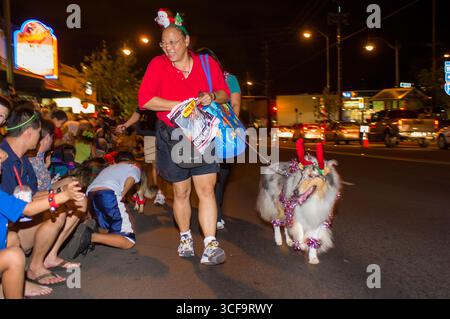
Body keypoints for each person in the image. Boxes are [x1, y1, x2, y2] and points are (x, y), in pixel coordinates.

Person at [138, 9, 230, 266]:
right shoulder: (157, 65)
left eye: (174, 42)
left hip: (203, 134)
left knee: (207, 189)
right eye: (164, 43)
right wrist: (180, 104)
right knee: (181, 192)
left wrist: (211, 96)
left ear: (186, 41)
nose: (168, 48)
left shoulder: (205, 63)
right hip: (174, 135)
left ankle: (211, 244)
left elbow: (223, 93)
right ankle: (186, 236)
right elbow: (145, 100)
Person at [0, 105, 83, 288]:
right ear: (29, 132)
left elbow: (33, 194)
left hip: (16, 224)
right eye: (39, 133)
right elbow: (18, 207)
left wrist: (62, 194)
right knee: (58, 210)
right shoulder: (3, 158)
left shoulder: (22, 158)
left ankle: (40, 262)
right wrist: (58, 197)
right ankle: (30, 270)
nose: (40, 139)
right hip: (9, 229)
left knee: (66, 206)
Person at [30, 119, 87, 270]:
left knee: (77, 193)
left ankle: (51, 256)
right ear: (47, 137)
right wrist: (60, 195)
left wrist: (47, 167)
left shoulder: (41, 155)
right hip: (31, 204)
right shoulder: (28, 156)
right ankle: (36, 265)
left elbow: (43, 183)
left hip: (41, 194)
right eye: (53, 137)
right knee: (63, 206)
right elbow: (32, 192)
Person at [196, 48, 242, 231]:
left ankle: (218, 212)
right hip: (202, 133)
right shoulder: (195, 77)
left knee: (222, 176)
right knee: (206, 175)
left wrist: (232, 128)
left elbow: (236, 103)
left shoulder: (229, 79)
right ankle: (212, 213)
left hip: (224, 133)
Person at [64, 152, 141, 259]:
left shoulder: (110, 168)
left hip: (91, 193)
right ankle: (90, 237)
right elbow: (131, 179)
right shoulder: (134, 167)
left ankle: (89, 233)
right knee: (129, 240)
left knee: (108, 226)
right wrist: (122, 195)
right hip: (108, 193)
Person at [116, 108, 166, 206]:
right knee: (155, 165)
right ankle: (160, 192)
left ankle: (163, 192)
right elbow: (138, 113)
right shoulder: (146, 100)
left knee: (163, 166)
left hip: (164, 134)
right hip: (152, 135)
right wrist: (126, 125)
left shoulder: (163, 97)